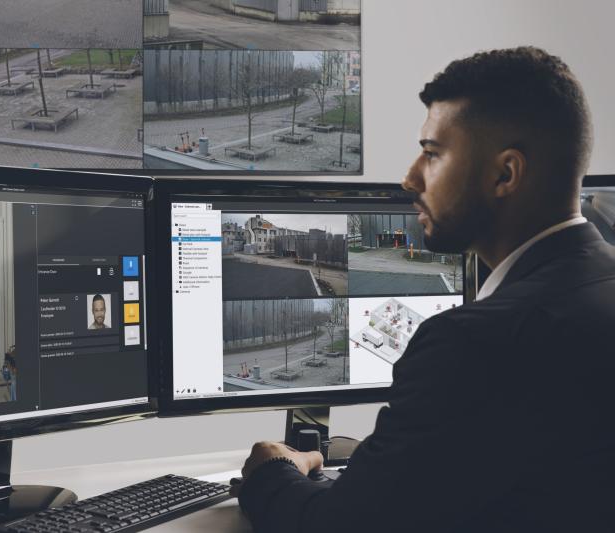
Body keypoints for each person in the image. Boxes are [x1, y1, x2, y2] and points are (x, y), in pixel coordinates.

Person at [235, 47, 615, 532]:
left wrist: (273, 470)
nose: (410, 177)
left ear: (505, 173)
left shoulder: (475, 342)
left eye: (433, 154)